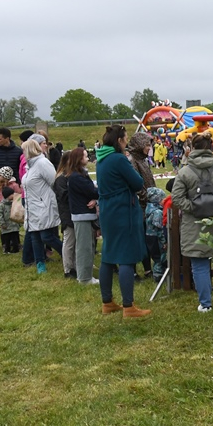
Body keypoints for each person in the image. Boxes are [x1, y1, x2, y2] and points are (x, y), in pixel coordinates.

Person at [172, 133, 213, 312]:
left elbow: (177, 198)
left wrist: (194, 207)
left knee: (199, 264)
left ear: (192, 148)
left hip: (194, 224)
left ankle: (206, 304)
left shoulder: (185, 172)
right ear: (211, 148)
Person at [95, 124, 151, 318]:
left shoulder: (100, 160)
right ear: (119, 141)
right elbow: (137, 183)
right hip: (123, 210)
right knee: (126, 257)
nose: (127, 142)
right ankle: (129, 306)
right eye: (125, 139)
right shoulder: (118, 159)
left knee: (108, 256)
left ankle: (107, 302)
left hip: (107, 211)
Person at [21, 139, 63, 274]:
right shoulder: (30, 166)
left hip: (44, 205)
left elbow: (54, 182)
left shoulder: (43, 163)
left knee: (46, 236)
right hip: (32, 206)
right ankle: (40, 263)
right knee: (35, 236)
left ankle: (68, 255)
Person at [0, 127, 23, 252]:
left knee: (14, 213)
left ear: (7, 138)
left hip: (13, 187)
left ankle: (15, 241)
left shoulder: (17, 151)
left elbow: (19, 167)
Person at [67, 147, 100, 285]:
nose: (88, 158)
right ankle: (84, 278)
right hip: (82, 215)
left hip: (85, 215)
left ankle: (85, 275)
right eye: (86, 156)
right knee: (84, 247)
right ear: (79, 159)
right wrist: (95, 196)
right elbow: (92, 191)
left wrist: (95, 199)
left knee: (88, 246)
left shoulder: (79, 175)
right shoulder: (76, 177)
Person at [126, 132, 156, 279]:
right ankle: (133, 270)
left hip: (147, 205)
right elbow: (136, 185)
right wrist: (148, 197)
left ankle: (147, 269)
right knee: (137, 238)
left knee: (146, 237)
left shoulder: (143, 160)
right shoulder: (132, 161)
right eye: (147, 145)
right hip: (139, 205)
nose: (149, 148)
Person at [53, 150, 77, 278]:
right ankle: (68, 268)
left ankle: (74, 265)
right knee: (69, 241)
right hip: (67, 213)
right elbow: (64, 196)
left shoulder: (69, 176)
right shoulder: (61, 179)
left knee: (74, 241)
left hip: (73, 211)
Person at [0, 166, 23, 254]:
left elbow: (18, 196)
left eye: (0, 175)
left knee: (14, 228)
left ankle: (16, 244)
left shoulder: (14, 185)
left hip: (12, 210)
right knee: (3, 228)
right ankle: (5, 244)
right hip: (2, 211)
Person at [0, 187, 23, 254]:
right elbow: (0, 215)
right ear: (8, 196)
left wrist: (19, 223)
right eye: (12, 194)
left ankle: (15, 249)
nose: (14, 195)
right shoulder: (2, 205)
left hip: (14, 224)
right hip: (6, 225)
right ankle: (7, 250)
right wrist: (2, 223)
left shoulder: (14, 203)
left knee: (15, 237)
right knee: (7, 238)